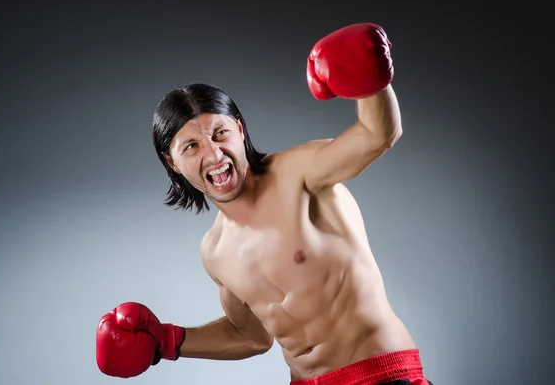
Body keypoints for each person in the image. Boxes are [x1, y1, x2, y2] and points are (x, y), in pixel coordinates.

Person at [95, 23, 433, 385]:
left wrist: (371, 84)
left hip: (379, 376)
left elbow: (377, 135)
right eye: (191, 146)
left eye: (220, 133)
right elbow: (252, 337)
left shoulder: (298, 173)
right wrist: (166, 341)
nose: (213, 154)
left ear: (240, 130)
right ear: (172, 162)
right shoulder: (215, 251)